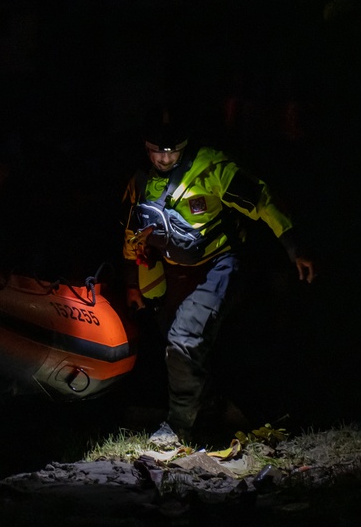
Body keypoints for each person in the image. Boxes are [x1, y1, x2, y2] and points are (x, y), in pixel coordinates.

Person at [121, 111, 314, 448]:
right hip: (173, 275)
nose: (165, 157)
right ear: (145, 147)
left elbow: (260, 199)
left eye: (172, 151)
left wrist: (294, 247)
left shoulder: (210, 168)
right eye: (157, 151)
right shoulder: (140, 182)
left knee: (184, 339)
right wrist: (132, 283)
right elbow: (132, 235)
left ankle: (179, 428)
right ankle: (211, 410)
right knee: (179, 347)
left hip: (218, 267)